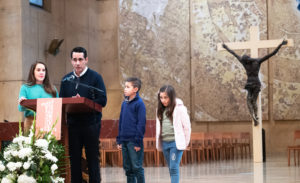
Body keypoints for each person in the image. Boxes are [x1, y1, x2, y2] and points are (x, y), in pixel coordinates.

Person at [59, 47, 107, 183]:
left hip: (91, 124)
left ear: (86, 60)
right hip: (73, 126)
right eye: (74, 60)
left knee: (92, 160)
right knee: (74, 160)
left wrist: (84, 102)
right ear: (71, 61)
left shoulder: (96, 77)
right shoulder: (66, 80)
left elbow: (103, 100)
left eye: (80, 59)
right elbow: (61, 102)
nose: (77, 63)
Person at [222, 40, 288, 126]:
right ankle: (256, 116)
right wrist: (280, 45)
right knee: (253, 101)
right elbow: (272, 54)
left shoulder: (244, 63)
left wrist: (226, 47)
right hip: (256, 83)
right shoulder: (257, 61)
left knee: (249, 101)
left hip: (249, 83)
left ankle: (254, 116)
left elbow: (233, 53)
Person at [156, 85, 191, 183]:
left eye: (165, 97)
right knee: (171, 168)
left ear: (171, 96)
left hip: (175, 143)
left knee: (174, 168)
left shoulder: (180, 108)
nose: (163, 100)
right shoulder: (159, 109)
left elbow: (187, 127)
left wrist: (186, 142)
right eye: (161, 97)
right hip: (165, 143)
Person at [116, 77, 146, 183]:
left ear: (135, 89)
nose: (125, 89)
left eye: (128, 87)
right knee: (128, 169)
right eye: (125, 86)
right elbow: (121, 122)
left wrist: (138, 142)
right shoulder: (124, 104)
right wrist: (119, 140)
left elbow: (141, 124)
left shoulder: (139, 104)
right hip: (124, 140)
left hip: (134, 142)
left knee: (137, 167)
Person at [18, 61, 58, 133]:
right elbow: (20, 108)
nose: (41, 72)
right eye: (38, 70)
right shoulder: (25, 88)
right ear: (33, 72)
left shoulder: (53, 89)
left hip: (49, 123)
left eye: (43, 70)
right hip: (31, 122)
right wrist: (23, 102)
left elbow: (58, 108)